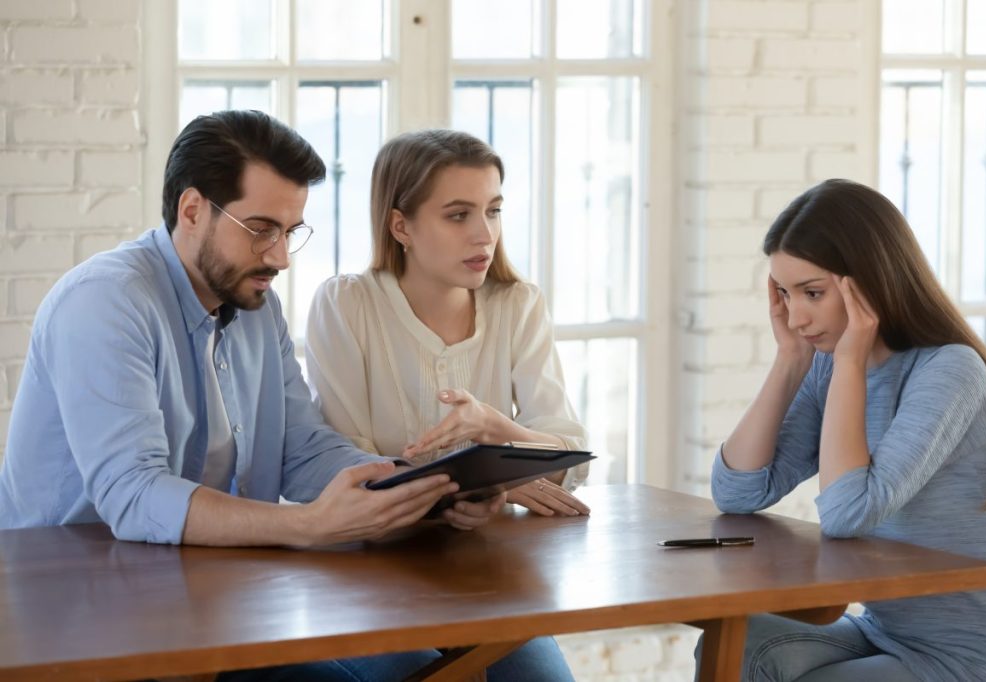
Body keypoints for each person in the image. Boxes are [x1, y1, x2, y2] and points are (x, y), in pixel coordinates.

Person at [0, 110, 506, 681]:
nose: (281, 257)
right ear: (192, 211)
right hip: (76, 617)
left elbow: (302, 446)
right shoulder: (107, 302)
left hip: (210, 595)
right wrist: (308, 525)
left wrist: (426, 489)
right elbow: (134, 493)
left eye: (290, 232)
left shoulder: (254, 309)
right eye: (261, 229)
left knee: (454, 662)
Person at [699, 179, 986, 681]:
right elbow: (739, 490)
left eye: (812, 293)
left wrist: (848, 361)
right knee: (740, 645)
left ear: (869, 283)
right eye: (785, 294)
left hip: (975, 654)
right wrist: (790, 362)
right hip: (885, 628)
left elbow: (849, 512)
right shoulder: (828, 366)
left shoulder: (950, 371)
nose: (797, 316)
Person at [304, 129, 587, 680]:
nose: (485, 234)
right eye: (458, 215)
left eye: (494, 210)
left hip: (488, 577)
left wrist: (497, 432)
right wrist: (487, 478)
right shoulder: (346, 305)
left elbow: (570, 455)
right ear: (400, 225)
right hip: (369, 578)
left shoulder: (517, 304)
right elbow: (348, 468)